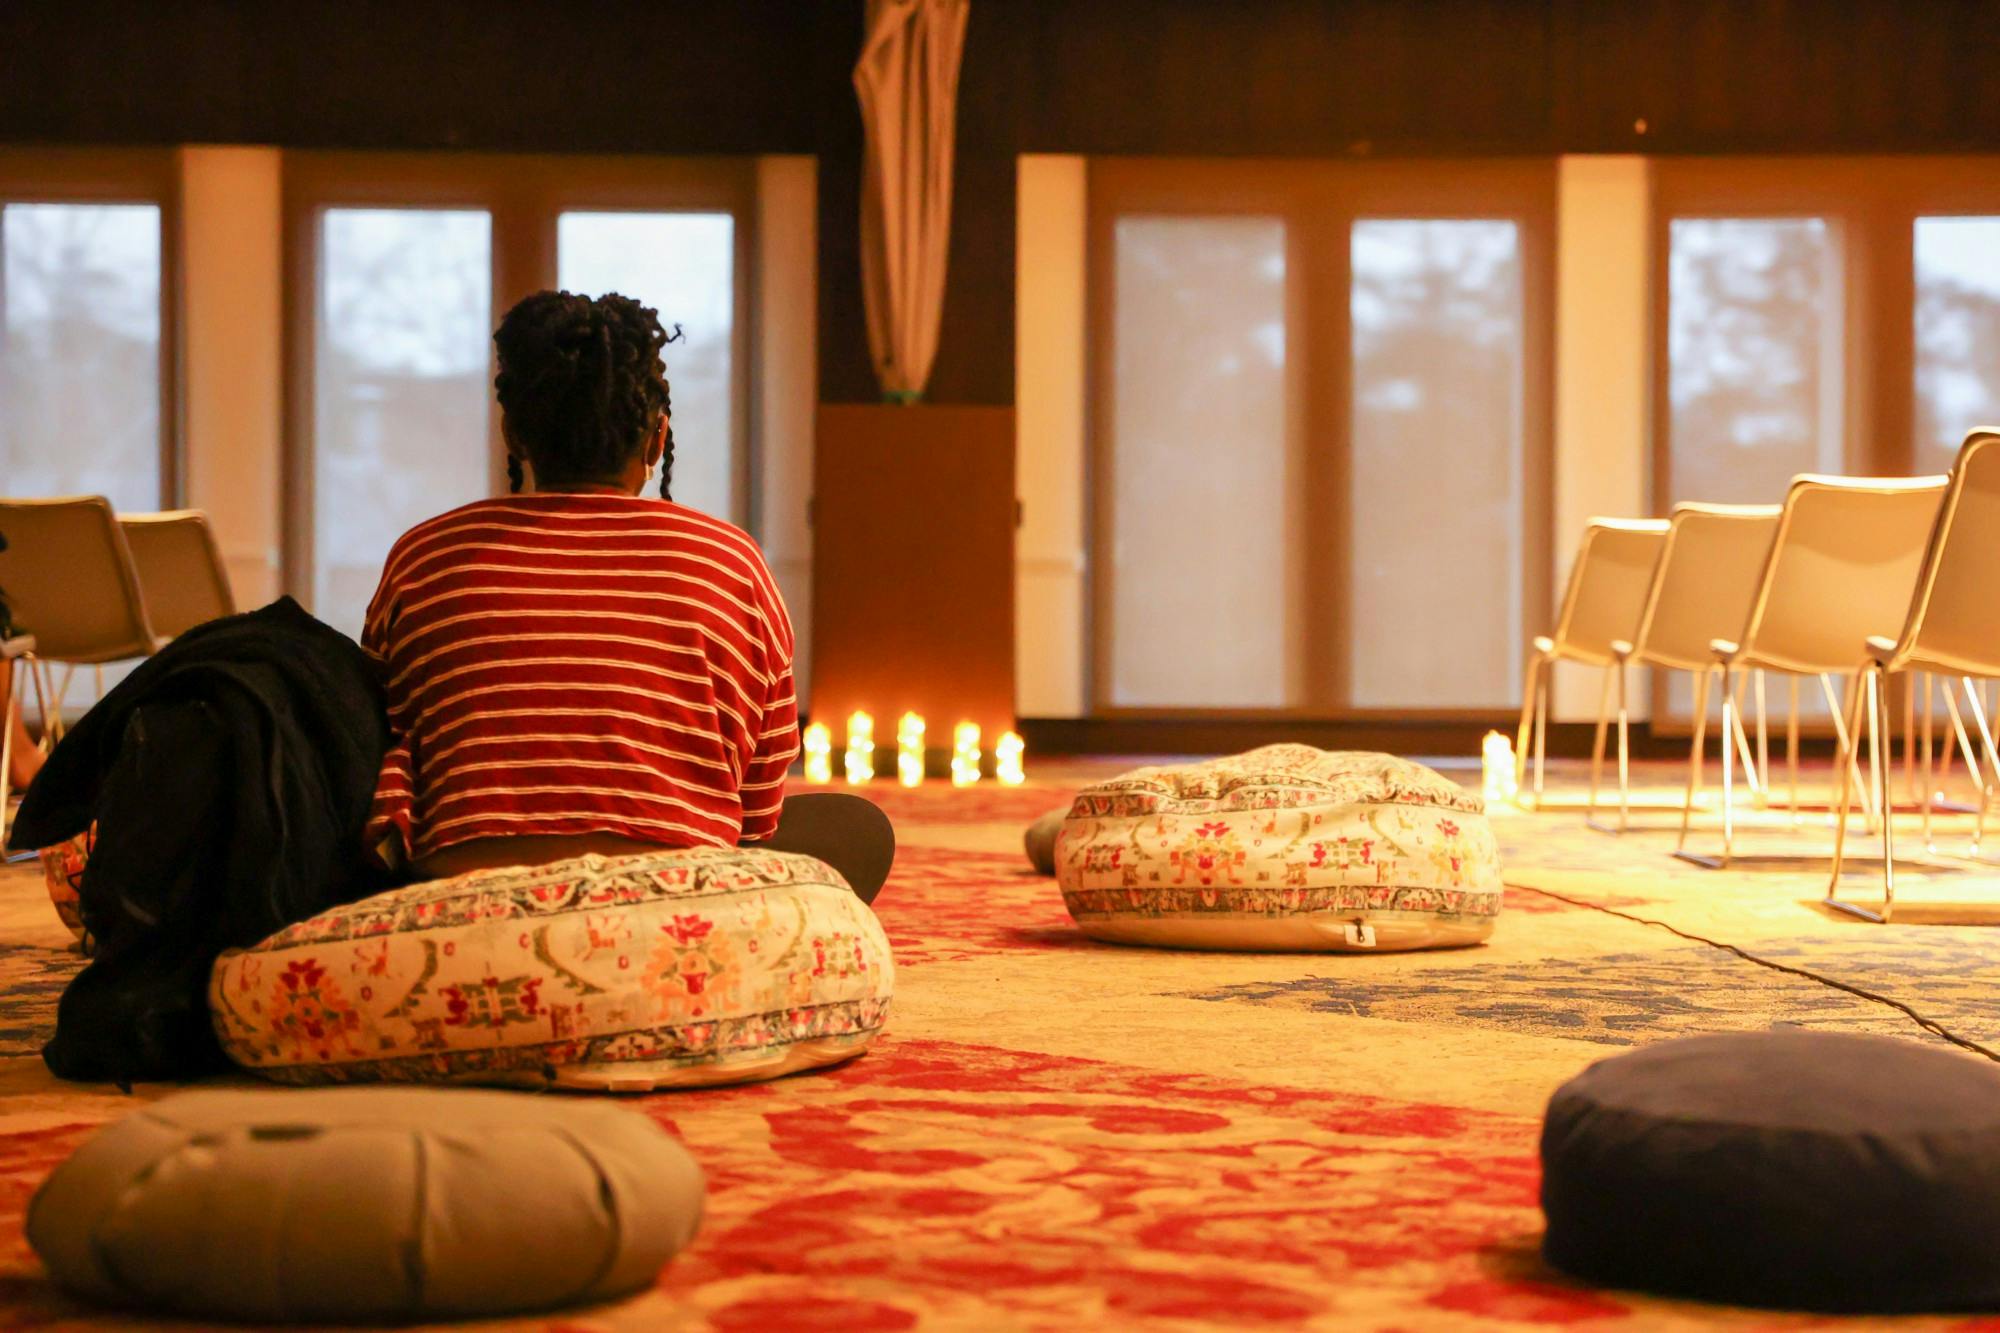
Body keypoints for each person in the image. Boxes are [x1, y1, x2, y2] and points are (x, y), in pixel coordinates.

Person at [361, 290, 892, 900]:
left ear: (513, 433)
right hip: (672, 899)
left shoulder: (424, 555)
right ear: (656, 440)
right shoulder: (731, 562)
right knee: (854, 828)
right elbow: (756, 810)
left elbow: (377, 736)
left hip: (463, 895)